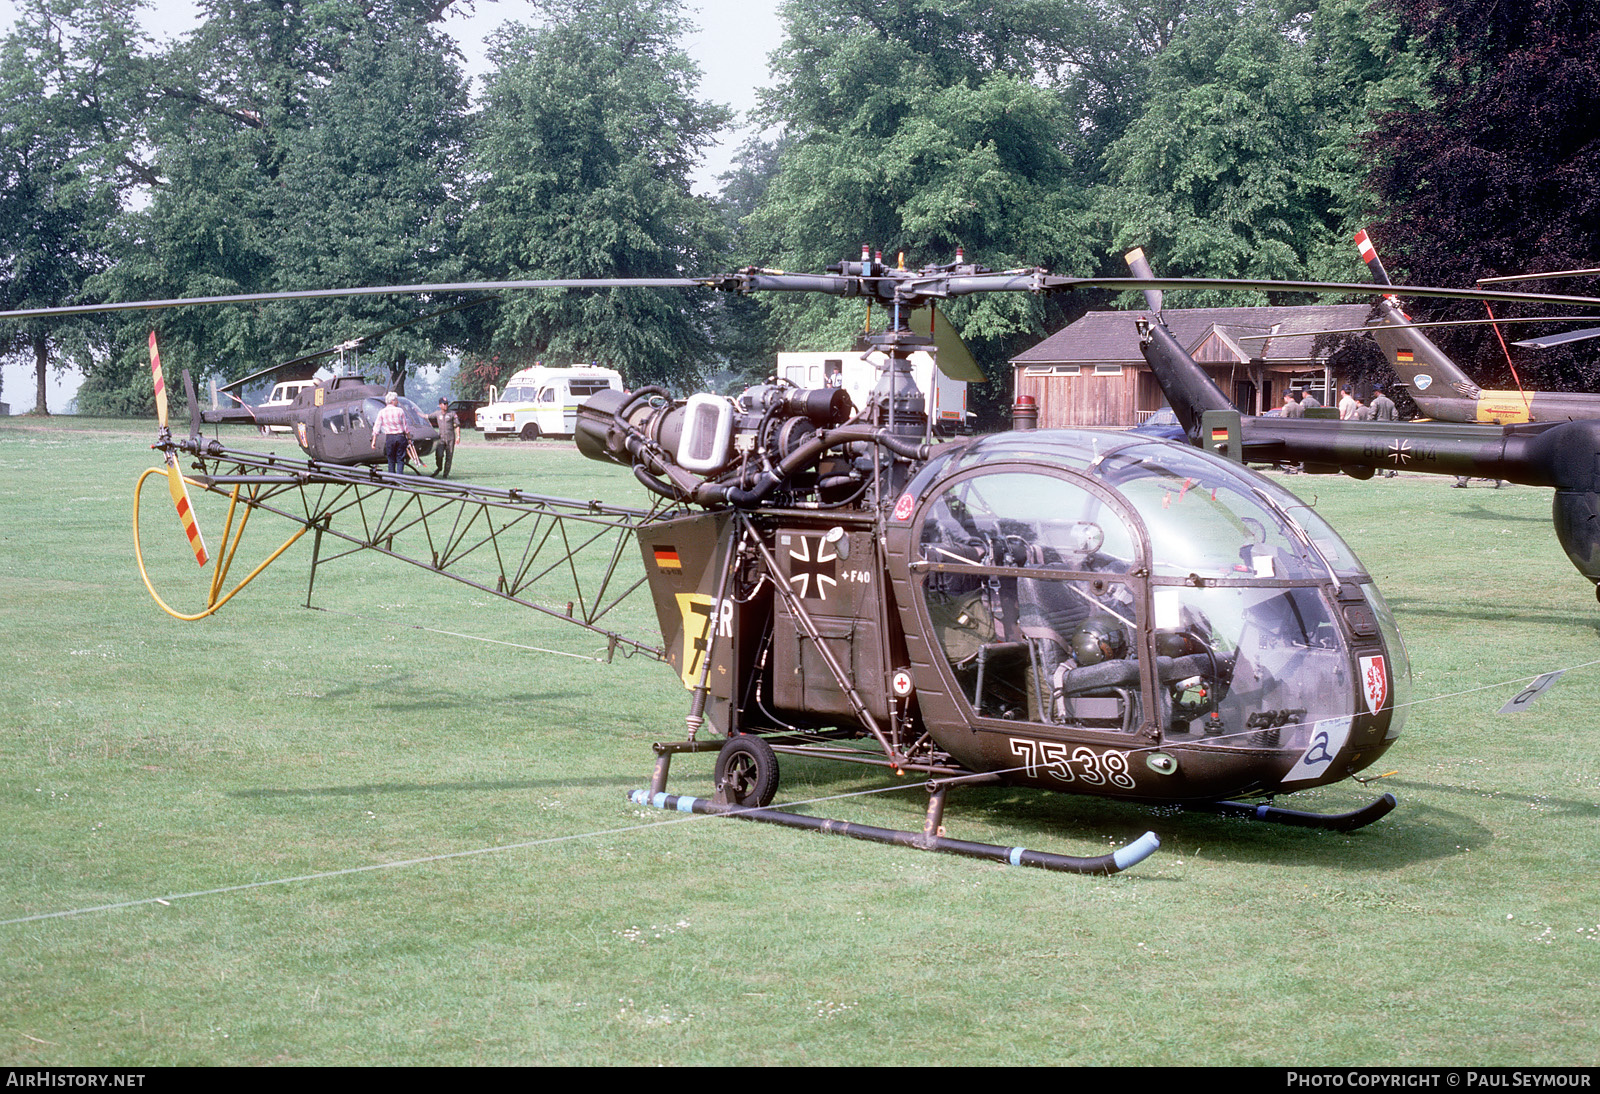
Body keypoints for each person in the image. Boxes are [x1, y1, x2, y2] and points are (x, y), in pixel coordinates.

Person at [370, 391, 411, 473]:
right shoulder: (400, 411)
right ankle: (399, 478)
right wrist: (409, 438)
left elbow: (377, 427)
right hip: (400, 437)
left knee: (391, 459)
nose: (397, 401)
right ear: (392, 401)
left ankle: (391, 479)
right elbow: (406, 427)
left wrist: (374, 441)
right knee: (400, 459)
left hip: (390, 438)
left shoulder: (382, 412)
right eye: (396, 400)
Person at [434, 397, 460, 476]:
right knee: (439, 454)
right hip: (441, 438)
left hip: (450, 438)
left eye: (447, 404)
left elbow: (457, 425)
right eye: (444, 404)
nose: (446, 405)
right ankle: (439, 467)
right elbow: (427, 416)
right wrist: (416, 413)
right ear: (440, 405)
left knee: (449, 456)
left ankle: (446, 473)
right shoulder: (437, 414)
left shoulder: (452, 414)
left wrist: (458, 436)